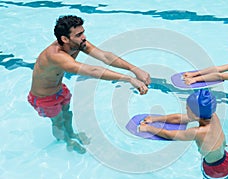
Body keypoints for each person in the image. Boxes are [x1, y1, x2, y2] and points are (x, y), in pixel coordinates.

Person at [27, 15, 151, 154]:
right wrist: (129, 79)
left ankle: (71, 134)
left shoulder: (77, 43)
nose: (84, 37)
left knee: (67, 115)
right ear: (65, 39)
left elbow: (105, 56)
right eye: (79, 34)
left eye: (83, 32)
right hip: (45, 99)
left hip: (60, 89)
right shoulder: (56, 56)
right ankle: (66, 141)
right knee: (58, 122)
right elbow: (93, 70)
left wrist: (134, 69)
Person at [139, 89, 228, 179]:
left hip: (214, 170)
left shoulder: (198, 132)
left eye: (187, 108)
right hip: (226, 159)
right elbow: (180, 118)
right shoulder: (212, 115)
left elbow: (170, 135)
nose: (185, 109)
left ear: (195, 114)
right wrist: (156, 119)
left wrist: (148, 128)